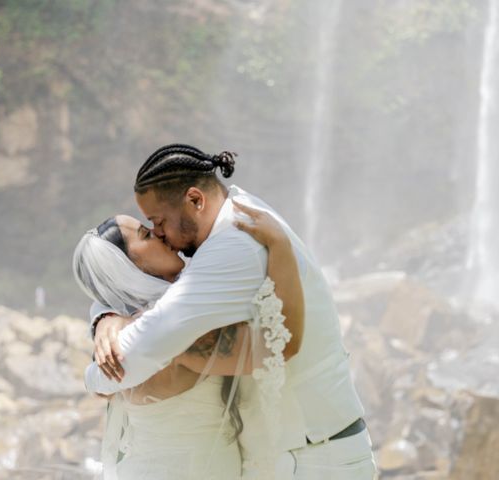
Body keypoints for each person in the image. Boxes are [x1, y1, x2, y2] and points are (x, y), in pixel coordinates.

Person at [84, 144, 377, 479]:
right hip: (291, 451)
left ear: (195, 200)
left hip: (313, 456)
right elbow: (127, 286)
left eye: (158, 222)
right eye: (149, 229)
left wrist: (92, 376)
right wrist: (106, 315)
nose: (161, 235)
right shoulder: (235, 216)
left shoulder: (231, 245)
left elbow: (147, 342)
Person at [73, 210, 302, 479]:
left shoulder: (137, 326)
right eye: (146, 235)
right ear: (130, 268)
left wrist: (103, 316)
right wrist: (280, 247)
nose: (159, 233)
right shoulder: (168, 331)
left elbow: (99, 380)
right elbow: (278, 346)